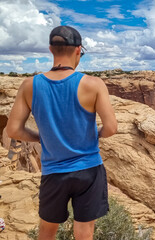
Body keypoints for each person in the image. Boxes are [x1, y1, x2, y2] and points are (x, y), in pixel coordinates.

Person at [5, 25, 117, 240]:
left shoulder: (30, 85)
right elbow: (111, 128)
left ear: (50, 49)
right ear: (78, 51)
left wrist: (42, 138)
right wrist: (95, 135)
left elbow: (13, 130)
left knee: (47, 231)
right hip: (89, 170)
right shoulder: (93, 84)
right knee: (84, 232)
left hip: (53, 172)